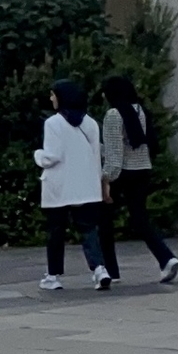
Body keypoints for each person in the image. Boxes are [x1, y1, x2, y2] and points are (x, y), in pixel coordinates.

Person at [100, 76, 178, 285]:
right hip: (142, 169)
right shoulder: (140, 111)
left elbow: (114, 154)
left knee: (104, 221)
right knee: (140, 219)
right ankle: (166, 258)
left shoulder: (113, 115)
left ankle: (111, 270)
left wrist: (106, 180)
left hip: (122, 173)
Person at [35, 78, 110, 291]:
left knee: (56, 232)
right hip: (86, 186)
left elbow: (52, 157)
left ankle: (53, 276)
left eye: (53, 94)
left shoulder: (53, 123)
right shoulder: (91, 124)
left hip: (59, 186)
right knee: (88, 230)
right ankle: (99, 269)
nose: (51, 98)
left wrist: (38, 155)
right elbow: (97, 156)